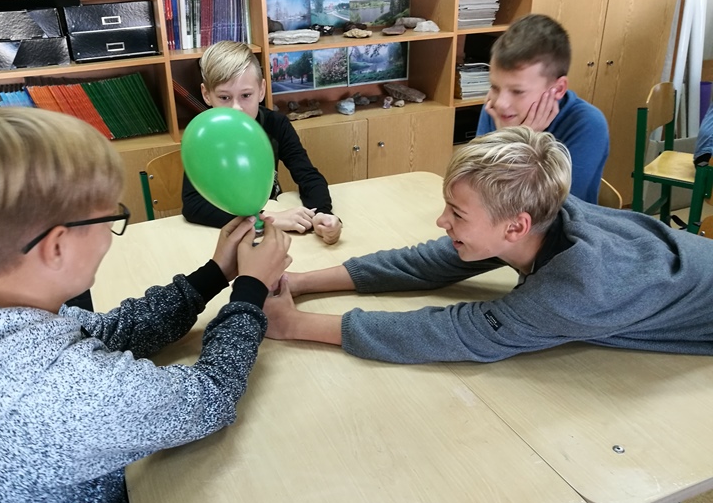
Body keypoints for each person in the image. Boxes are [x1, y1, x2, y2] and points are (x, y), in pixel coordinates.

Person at [0, 107, 291, 503]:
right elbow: (210, 395)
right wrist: (252, 288)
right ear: (57, 247)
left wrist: (215, 274)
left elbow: (106, 332)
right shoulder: (67, 395)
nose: (111, 232)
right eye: (110, 217)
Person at [263, 126, 713, 366]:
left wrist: (293, 325)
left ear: (516, 228)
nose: (442, 221)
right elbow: (423, 264)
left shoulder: (575, 288)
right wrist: (299, 282)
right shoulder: (537, 217)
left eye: (457, 214)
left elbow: (451, 333)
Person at [182, 40, 342, 245]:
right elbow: (193, 205)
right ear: (206, 95)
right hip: (227, 239)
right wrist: (266, 220)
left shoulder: (276, 124)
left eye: (246, 95)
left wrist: (322, 213)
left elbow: (308, 176)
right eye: (224, 97)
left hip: (273, 237)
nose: (236, 108)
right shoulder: (203, 135)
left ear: (261, 89)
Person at [477, 13, 610, 204]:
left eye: (517, 91)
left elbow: (548, 209)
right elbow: (474, 188)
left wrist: (519, 142)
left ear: (558, 89)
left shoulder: (587, 124)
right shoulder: (498, 110)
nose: (501, 102)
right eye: (495, 87)